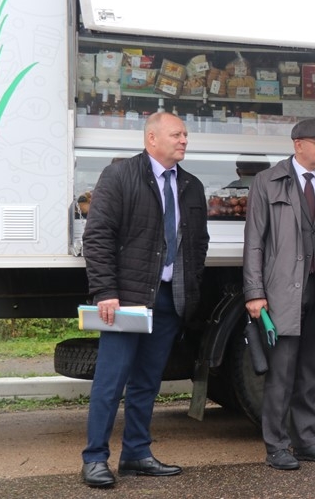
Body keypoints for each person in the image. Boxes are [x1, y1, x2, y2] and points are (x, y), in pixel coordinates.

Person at [80, 112, 210, 487]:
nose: (184, 140)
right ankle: (95, 459)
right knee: (111, 381)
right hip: (127, 300)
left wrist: (191, 285)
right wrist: (106, 291)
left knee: (147, 382)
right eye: (176, 134)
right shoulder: (120, 176)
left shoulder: (191, 185)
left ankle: (136, 453)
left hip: (170, 299)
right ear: (152, 138)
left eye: (185, 135)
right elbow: (98, 236)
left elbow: (198, 243)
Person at [243, 118, 315, 471]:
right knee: (281, 374)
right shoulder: (267, 181)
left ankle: (306, 441)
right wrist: (254, 292)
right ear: (298, 144)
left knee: (309, 372)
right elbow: (254, 243)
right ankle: (276, 446)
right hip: (279, 293)